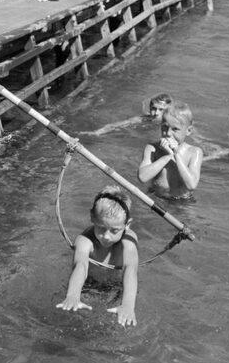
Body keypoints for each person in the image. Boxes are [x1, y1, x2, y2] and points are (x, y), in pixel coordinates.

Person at [56, 185, 138, 327]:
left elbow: (131, 269)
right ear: (92, 217)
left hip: (116, 286)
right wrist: (73, 296)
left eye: (114, 230)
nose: (106, 236)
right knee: (72, 319)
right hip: (88, 283)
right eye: (101, 228)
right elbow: (81, 265)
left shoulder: (129, 242)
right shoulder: (84, 240)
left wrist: (128, 305)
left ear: (127, 224)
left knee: (116, 324)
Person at [137, 102, 203, 200]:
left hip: (182, 200)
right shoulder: (152, 148)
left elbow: (191, 185)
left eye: (175, 129)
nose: (168, 133)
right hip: (156, 197)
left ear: (188, 131)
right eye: (164, 127)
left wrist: (176, 154)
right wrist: (167, 156)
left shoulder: (194, 152)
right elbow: (142, 177)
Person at [82, 92, 173, 136]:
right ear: (149, 107)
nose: (156, 113)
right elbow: (116, 125)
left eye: (161, 109)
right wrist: (97, 132)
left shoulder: (172, 121)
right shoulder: (144, 119)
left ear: (167, 110)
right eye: (153, 108)